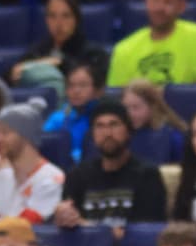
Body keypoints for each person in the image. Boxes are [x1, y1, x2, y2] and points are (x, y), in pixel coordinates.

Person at [55, 98, 171, 230]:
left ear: (128, 131)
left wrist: (87, 226)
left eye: (114, 124)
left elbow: (143, 237)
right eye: (100, 126)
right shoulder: (77, 176)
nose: (107, 133)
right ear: (92, 134)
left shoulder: (147, 175)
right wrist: (62, 215)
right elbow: (70, 226)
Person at [107, 0, 196, 88]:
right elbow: (118, 98)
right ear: (146, 2)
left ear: (181, 6)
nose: (160, 8)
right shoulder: (123, 49)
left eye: (168, 2)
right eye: (155, 0)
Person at [0, 104, 64, 227]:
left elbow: (23, 228)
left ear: (25, 135)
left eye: (5, 132)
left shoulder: (52, 178)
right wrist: (1, 176)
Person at [13, 0, 111, 89]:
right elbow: (10, 75)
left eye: (66, 16)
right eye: (52, 16)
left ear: (77, 19)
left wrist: (59, 63)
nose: (58, 23)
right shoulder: (38, 50)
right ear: (46, 20)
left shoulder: (94, 54)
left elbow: (94, 83)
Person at [122, 79, 189, 167]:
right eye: (126, 108)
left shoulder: (173, 138)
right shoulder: (119, 135)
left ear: (152, 106)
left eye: (136, 107)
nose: (130, 114)